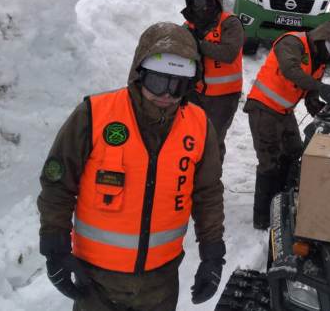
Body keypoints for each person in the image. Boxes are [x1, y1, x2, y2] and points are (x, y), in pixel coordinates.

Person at [37, 22, 226, 310]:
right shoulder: (94, 115)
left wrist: (212, 254)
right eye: (159, 82)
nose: (167, 94)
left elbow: (208, 193)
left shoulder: (199, 126)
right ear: (140, 74)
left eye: (178, 85)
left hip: (161, 283)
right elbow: (57, 185)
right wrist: (55, 246)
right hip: (95, 281)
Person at [244, 21, 330, 229]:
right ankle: (263, 217)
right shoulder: (292, 42)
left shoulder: (319, 61)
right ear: (321, 38)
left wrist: (328, 113)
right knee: (269, 163)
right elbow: (290, 70)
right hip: (263, 108)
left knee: (294, 152)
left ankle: (283, 201)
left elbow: (311, 97)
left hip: (284, 112)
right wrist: (322, 87)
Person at [181, 0, 243, 163]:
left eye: (204, 1)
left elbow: (228, 53)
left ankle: (211, 179)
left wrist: (198, 45)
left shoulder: (230, 23)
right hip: (195, 93)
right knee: (190, 138)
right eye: (195, 1)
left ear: (215, 1)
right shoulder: (188, 25)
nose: (200, 7)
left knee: (212, 142)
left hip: (223, 97)